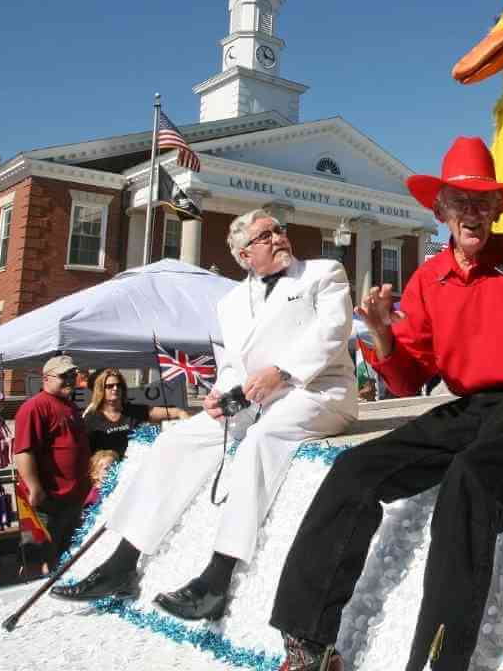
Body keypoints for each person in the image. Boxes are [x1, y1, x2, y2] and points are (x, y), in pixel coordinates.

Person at [268, 137, 503, 671]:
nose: (473, 213)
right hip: (475, 407)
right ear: (440, 211)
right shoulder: (428, 279)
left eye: (484, 202)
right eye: (461, 202)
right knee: (354, 469)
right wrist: (384, 339)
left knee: (470, 478)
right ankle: (308, 645)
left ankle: (436, 664)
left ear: (499, 209)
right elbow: (411, 377)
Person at [52, 208, 357, 622]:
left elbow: (333, 333)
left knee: (259, 442)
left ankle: (217, 578)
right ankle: (122, 563)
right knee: (176, 441)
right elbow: (232, 364)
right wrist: (219, 393)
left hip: (316, 391)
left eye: (279, 230)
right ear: (245, 254)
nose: (280, 237)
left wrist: (282, 372)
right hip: (254, 398)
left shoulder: (323, 272)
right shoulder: (230, 302)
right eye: (266, 235)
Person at [13, 355, 92, 568]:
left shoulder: (69, 405)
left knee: (66, 556)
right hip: (48, 502)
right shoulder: (34, 407)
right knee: (41, 558)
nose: (70, 380)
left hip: (72, 499)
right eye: (64, 376)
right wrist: (34, 487)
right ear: (46, 378)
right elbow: (23, 451)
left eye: (72, 375)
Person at [82, 369, 188, 458]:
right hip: (108, 476)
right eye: (110, 386)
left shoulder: (135, 410)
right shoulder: (91, 418)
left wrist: (183, 416)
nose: (115, 389)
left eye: (118, 385)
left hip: (133, 471)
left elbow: (175, 412)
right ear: (101, 390)